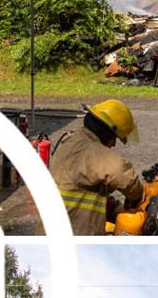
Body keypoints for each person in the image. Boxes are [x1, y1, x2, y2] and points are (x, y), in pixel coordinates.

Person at [49, 100, 144, 235]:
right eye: (114, 138)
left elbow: (85, 184)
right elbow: (124, 176)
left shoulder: (73, 142)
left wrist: (113, 208)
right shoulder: (91, 150)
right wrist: (137, 196)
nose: (114, 144)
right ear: (106, 132)